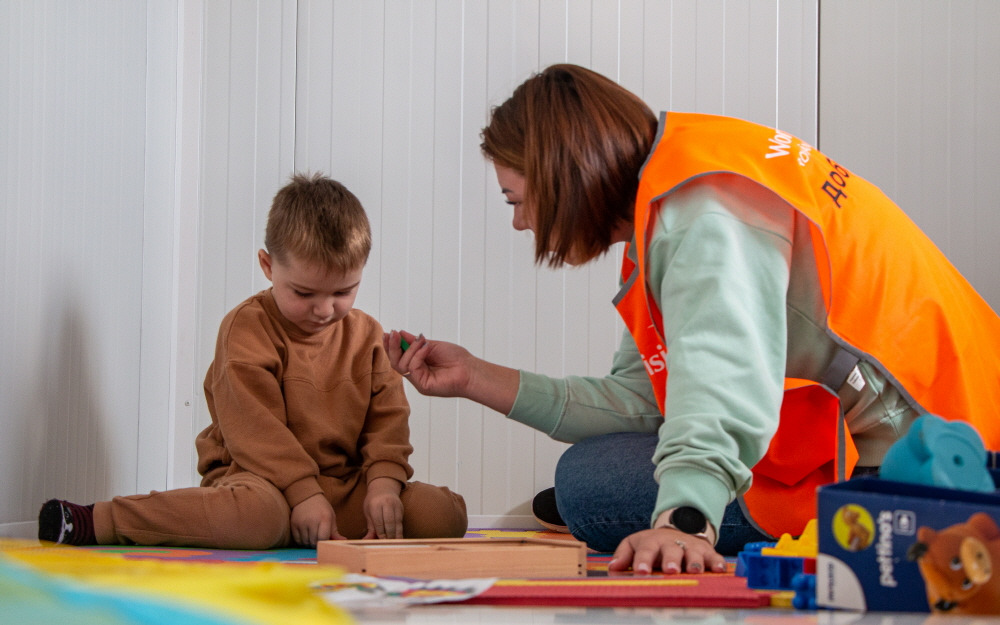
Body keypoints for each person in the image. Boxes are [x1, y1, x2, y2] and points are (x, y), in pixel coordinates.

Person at [382, 64, 1000, 575]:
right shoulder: (677, 190)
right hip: (907, 422)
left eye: (516, 200)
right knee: (598, 470)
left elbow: (722, 385)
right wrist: (472, 377)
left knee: (588, 485)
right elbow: (643, 400)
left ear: (559, 173)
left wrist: (683, 522)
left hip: (934, 455)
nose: (520, 223)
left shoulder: (702, 216)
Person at [39, 173, 468, 549]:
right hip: (261, 481)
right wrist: (302, 493)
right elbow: (253, 428)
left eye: (342, 292)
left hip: (342, 488)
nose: (324, 309)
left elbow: (388, 420)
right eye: (304, 293)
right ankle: (102, 520)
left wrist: (383, 485)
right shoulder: (246, 328)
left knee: (441, 515)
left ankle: (320, 523)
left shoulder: (368, 336)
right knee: (257, 519)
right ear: (268, 265)